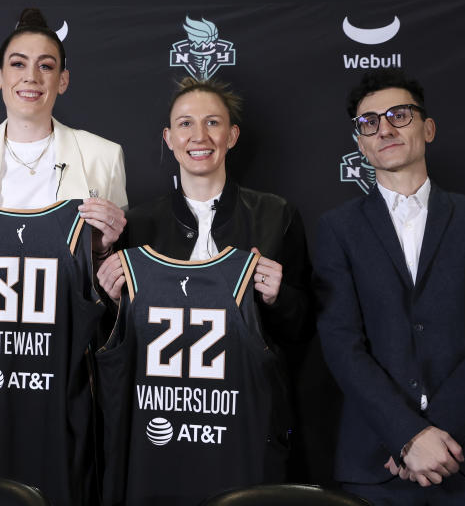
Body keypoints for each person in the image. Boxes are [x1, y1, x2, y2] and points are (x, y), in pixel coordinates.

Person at [314, 69, 465, 504]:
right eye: (369, 122)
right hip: (379, 466)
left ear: (427, 128)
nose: (385, 129)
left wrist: (434, 434)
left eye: (399, 115)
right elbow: (341, 343)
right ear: (360, 143)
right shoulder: (337, 229)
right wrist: (405, 434)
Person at [94, 77, 311, 498]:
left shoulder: (275, 214)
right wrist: (109, 295)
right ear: (169, 138)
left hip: (242, 423)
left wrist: (278, 297)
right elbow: (113, 342)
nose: (200, 136)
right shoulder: (137, 225)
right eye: (186, 124)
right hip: (157, 425)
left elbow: (302, 330)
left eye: (213, 123)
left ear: (232, 136)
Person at [0, 7, 128, 284]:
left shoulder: (104, 156)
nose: (31, 77)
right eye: (18, 64)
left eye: (45, 66)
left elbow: (113, 280)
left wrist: (103, 249)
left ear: (62, 80)